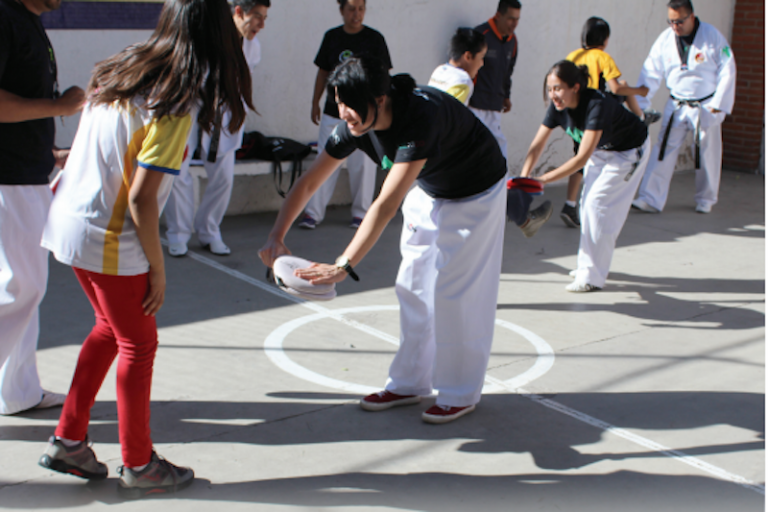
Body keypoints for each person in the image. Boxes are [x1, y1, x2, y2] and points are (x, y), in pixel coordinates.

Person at [37, 0, 253, 498]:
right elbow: (142, 197)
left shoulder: (124, 67)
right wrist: (158, 269)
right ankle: (138, 463)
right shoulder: (176, 98)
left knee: (109, 331)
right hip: (107, 236)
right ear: (217, 36)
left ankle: (70, 439)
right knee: (139, 343)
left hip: (69, 221)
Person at [260, 56, 508, 424]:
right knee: (412, 285)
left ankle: (460, 392)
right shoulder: (353, 125)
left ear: (379, 99)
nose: (343, 112)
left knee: (456, 292)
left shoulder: (418, 119)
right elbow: (311, 181)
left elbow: (385, 204)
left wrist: (343, 265)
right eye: (338, 102)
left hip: (476, 187)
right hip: (430, 185)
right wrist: (276, 237)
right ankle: (410, 383)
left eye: (350, 103)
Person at [0, 0, 85, 415]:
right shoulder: (4, 17)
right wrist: (60, 107)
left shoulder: (27, 22)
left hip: (27, 174)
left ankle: (18, 391)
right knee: (21, 288)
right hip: (8, 180)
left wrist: (49, 154)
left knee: (25, 291)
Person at [520, 60, 650, 293]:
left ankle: (592, 277)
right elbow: (537, 145)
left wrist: (543, 180)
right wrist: (523, 177)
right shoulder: (557, 107)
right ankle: (586, 267)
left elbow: (580, 159)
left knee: (597, 205)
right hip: (602, 152)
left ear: (575, 87)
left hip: (628, 152)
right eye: (549, 89)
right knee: (587, 206)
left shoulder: (595, 104)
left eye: (558, 88)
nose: (553, 95)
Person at [164, 0, 269, 257]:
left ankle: (209, 230)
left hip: (225, 115)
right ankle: (178, 233)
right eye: (256, 16)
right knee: (178, 171)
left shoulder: (251, 47)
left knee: (223, 176)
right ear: (238, 11)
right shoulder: (207, 34)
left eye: (264, 18)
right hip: (190, 109)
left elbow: (243, 84)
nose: (260, 24)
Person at [428, 27, 552, 237]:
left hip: (436, 155)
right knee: (494, 180)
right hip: (451, 156)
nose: (482, 64)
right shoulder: (462, 81)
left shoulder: (440, 71)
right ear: (468, 56)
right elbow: (451, 116)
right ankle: (524, 218)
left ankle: (523, 217)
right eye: (481, 58)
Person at [631, 0, 736, 214]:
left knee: (708, 153)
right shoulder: (665, 39)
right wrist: (641, 105)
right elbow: (651, 71)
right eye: (670, 21)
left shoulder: (712, 36)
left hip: (706, 105)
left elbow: (728, 67)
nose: (675, 26)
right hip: (677, 103)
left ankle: (706, 199)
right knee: (663, 150)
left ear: (692, 17)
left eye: (679, 21)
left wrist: (719, 104)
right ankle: (650, 198)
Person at [560, 16, 660, 229]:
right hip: (596, 113)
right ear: (604, 39)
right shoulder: (602, 57)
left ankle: (569, 203)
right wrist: (640, 91)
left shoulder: (573, 55)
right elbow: (616, 89)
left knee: (579, 158)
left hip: (576, 114)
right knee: (585, 159)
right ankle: (642, 117)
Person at [299, 0, 391, 230]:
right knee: (325, 160)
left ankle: (361, 213)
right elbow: (322, 72)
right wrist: (315, 102)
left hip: (365, 117)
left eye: (361, 8)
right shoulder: (332, 37)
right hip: (333, 112)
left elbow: (384, 76)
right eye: (351, 8)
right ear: (341, 10)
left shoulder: (375, 39)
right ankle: (313, 213)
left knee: (363, 165)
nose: (356, 14)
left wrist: (381, 111)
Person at [469, 0, 521, 160]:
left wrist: (506, 96)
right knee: (472, 148)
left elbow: (508, 72)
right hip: (475, 105)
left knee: (497, 149)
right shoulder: (480, 35)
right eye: (511, 18)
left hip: (495, 106)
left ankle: (499, 184)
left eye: (517, 19)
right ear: (498, 16)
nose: (514, 24)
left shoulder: (513, 41)